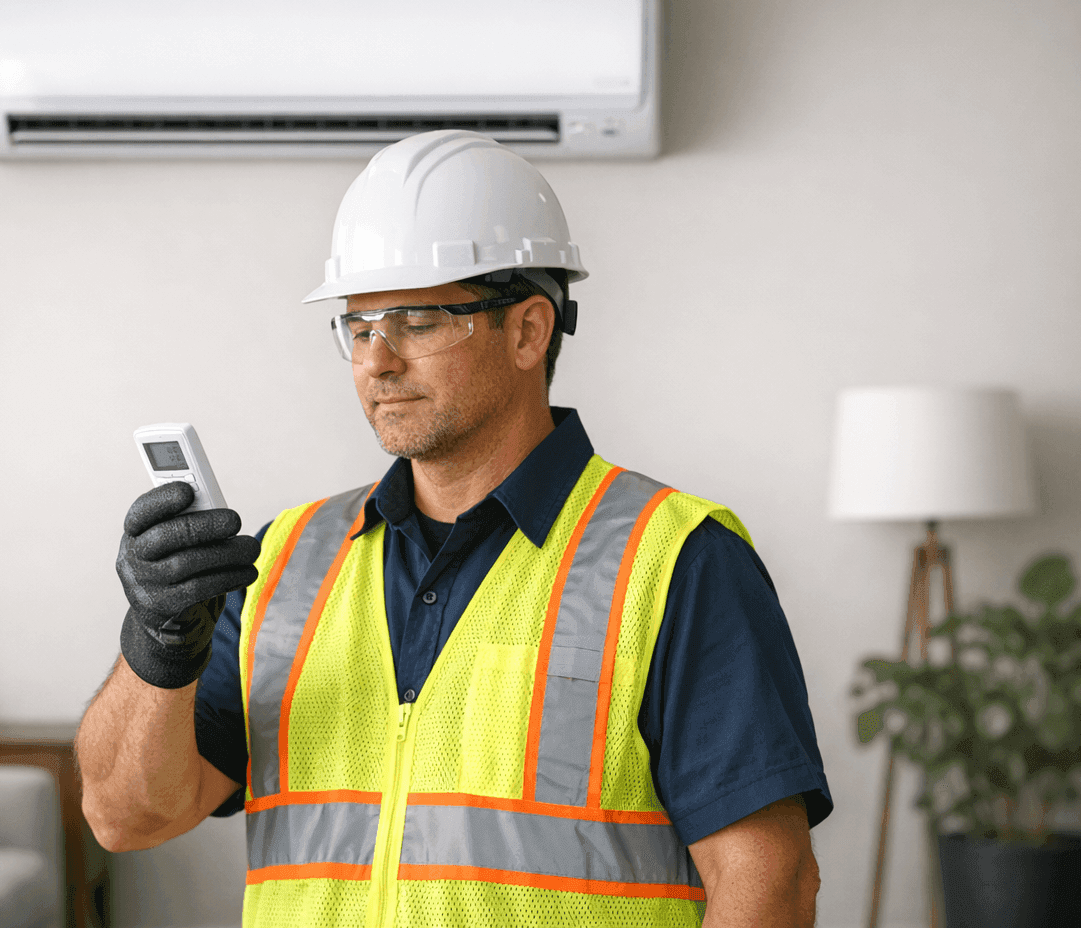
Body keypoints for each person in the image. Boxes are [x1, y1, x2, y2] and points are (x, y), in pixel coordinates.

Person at [77, 129, 830, 927]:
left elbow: (769, 884)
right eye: (359, 327)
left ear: (529, 331)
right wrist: (158, 648)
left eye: (419, 321)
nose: (377, 361)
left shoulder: (676, 560)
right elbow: (127, 819)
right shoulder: (282, 561)